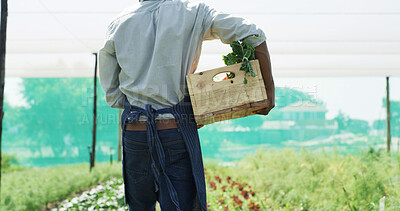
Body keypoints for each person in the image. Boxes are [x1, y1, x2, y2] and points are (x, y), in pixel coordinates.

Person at [99, 0, 275, 210]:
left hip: (135, 132)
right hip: (174, 130)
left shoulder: (119, 22)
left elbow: (113, 95)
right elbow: (253, 33)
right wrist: (268, 91)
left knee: (139, 207)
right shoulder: (194, 11)